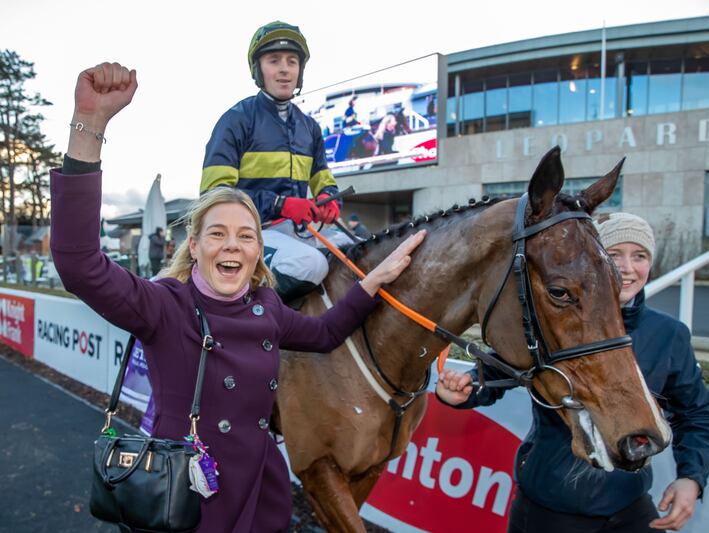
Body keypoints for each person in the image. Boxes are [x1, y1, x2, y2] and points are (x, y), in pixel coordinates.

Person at [51, 61, 427, 533]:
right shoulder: (166, 305)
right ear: (195, 245)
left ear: (258, 250)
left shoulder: (267, 305)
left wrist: (374, 280)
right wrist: (90, 126)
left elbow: (328, 332)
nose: (232, 244)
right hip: (185, 500)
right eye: (218, 234)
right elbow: (77, 261)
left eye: (246, 236)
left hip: (261, 493)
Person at [436, 211, 709, 533]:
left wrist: (691, 477)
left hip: (630, 505)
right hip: (550, 506)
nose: (627, 268)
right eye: (614, 255)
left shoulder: (669, 334)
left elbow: (695, 413)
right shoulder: (557, 321)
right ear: (594, 263)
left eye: (639, 256)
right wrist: (468, 386)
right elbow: (498, 368)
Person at [200, 21, 340, 302]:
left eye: (292, 61)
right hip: (249, 233)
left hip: (297, 233)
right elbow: (213, 195)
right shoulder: (236, 120)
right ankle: (244, 319)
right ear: (258, 70)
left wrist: (329, 198)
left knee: (358, 251)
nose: (285, 69)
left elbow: (324, 179)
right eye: (274, 61)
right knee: (311, 265)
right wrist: (280, 204)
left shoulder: (310, 127)